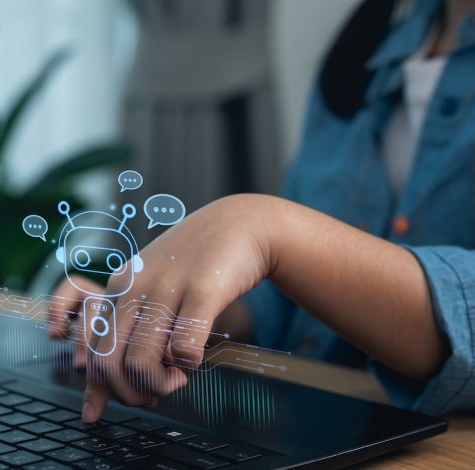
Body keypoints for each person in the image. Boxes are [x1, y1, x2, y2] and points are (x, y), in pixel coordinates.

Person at [47, 0, 475, 423]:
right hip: (311, 423)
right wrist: (168, 314)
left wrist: (268, 227)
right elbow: (289, 299)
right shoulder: (369, 45)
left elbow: (286, 246)